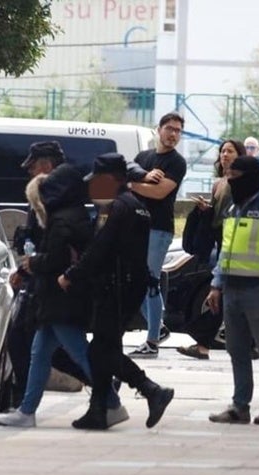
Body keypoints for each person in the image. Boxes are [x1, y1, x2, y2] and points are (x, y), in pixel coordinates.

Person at [0, 160, 127, 428]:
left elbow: (55, 259)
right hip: (58, 299)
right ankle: (27, 411)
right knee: (40, 353)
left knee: (79, 353)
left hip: (62, 300)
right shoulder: (73, 215)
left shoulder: (62, 220)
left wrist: (32, 263)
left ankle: (111, 401)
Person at [58, 153, 175, 430]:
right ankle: (99, 409)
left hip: (115, 287)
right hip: (129, 286)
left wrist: (72, 275)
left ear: (111, 179)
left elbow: (101, 248)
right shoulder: (137, 206)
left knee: (101, 350)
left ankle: (151, 389)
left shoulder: (117, 207)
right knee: (104, 348)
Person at [205, 155, 259, 425]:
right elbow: (227, 251)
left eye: (235, 178)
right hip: (232, 289)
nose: (231, 182)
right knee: (236, 349)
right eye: (229, 178)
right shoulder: (233, 210)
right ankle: (240, 406)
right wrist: (216, 284)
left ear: (251, 178)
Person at [177, 139, 245, 360]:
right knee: (227, 294)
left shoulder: (242, 181)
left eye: (230, 151)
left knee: (224, 293)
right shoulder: (219, 183)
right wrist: (205, 210)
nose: (225, 155)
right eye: (223, 151)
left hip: (235, 241)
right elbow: (217, 214)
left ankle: (204, 342)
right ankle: (248, 343)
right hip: (220, 239)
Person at [128, 111, 188, 359]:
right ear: (159, 129)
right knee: (136, 281)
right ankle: (158, 327)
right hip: (137, 226)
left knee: (150, 280)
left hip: (159, 228)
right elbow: (126, 172)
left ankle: (152, 341)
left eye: (178, 131)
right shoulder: (144, 157)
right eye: (169, 129)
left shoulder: (177, 162)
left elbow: (158, 193)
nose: (173, 134)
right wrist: (140, 179)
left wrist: (132, 184)